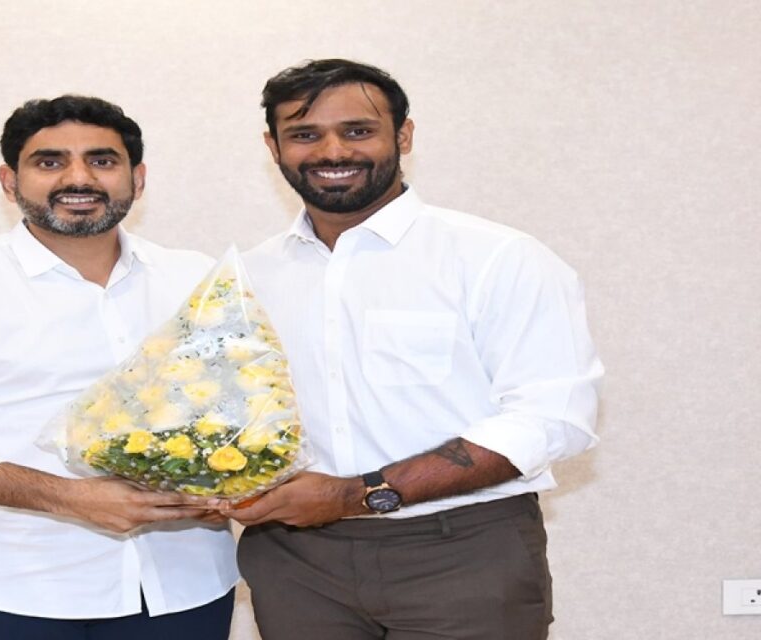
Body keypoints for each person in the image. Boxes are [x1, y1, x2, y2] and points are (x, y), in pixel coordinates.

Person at [224, 59, 604, 639]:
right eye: (304, 134)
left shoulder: (498, 258)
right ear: (273, 147)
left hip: (461, 552)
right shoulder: (247, 276)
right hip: (294, 562)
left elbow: (553, 419)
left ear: (403, 136)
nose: (332, 151)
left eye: (358, 130)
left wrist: (355, 495)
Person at [0, 95, 237, 639]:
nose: (78, 178)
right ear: (9, 181)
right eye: (49, 162)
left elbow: (242, 408)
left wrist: (235, 486)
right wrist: (71, 497)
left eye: (102, 160)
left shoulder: (195, 278)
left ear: (137, 179)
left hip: (183, 587)